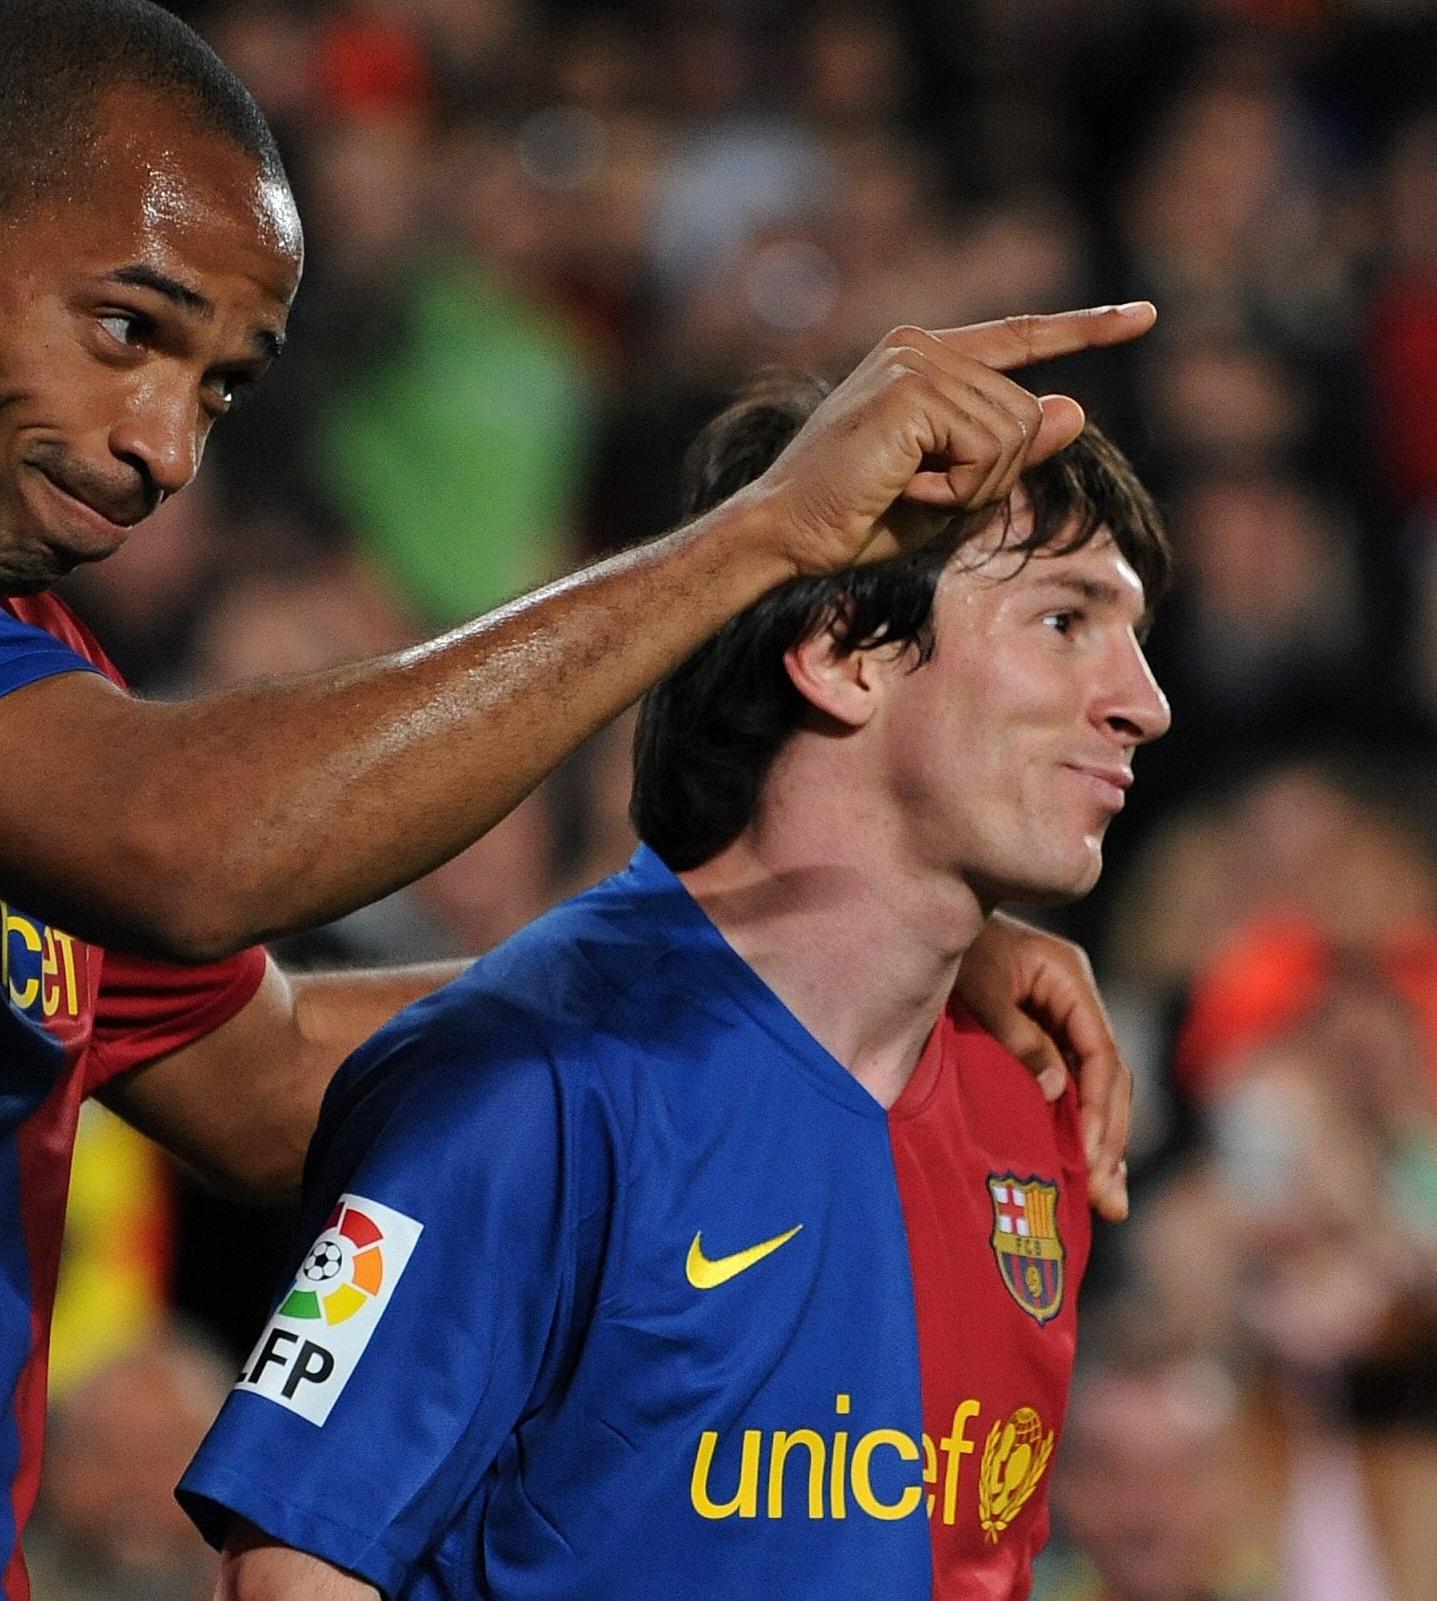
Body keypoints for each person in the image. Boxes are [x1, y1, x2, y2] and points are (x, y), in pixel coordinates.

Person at [0, 0, 1149, 1601]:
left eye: (220, 387)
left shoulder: (25, 684)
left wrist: (826, 956)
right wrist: (755, 542)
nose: (161, 447)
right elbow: (180, 845)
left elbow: (289, 1074)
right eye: (127, 328)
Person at [179, 384, 1172, 1600]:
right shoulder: (517, 1082)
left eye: (1132, 636)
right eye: (1064, 621)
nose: (1142, 702)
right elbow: (293, 1571)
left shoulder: (1029, 1103)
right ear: (843, 651)